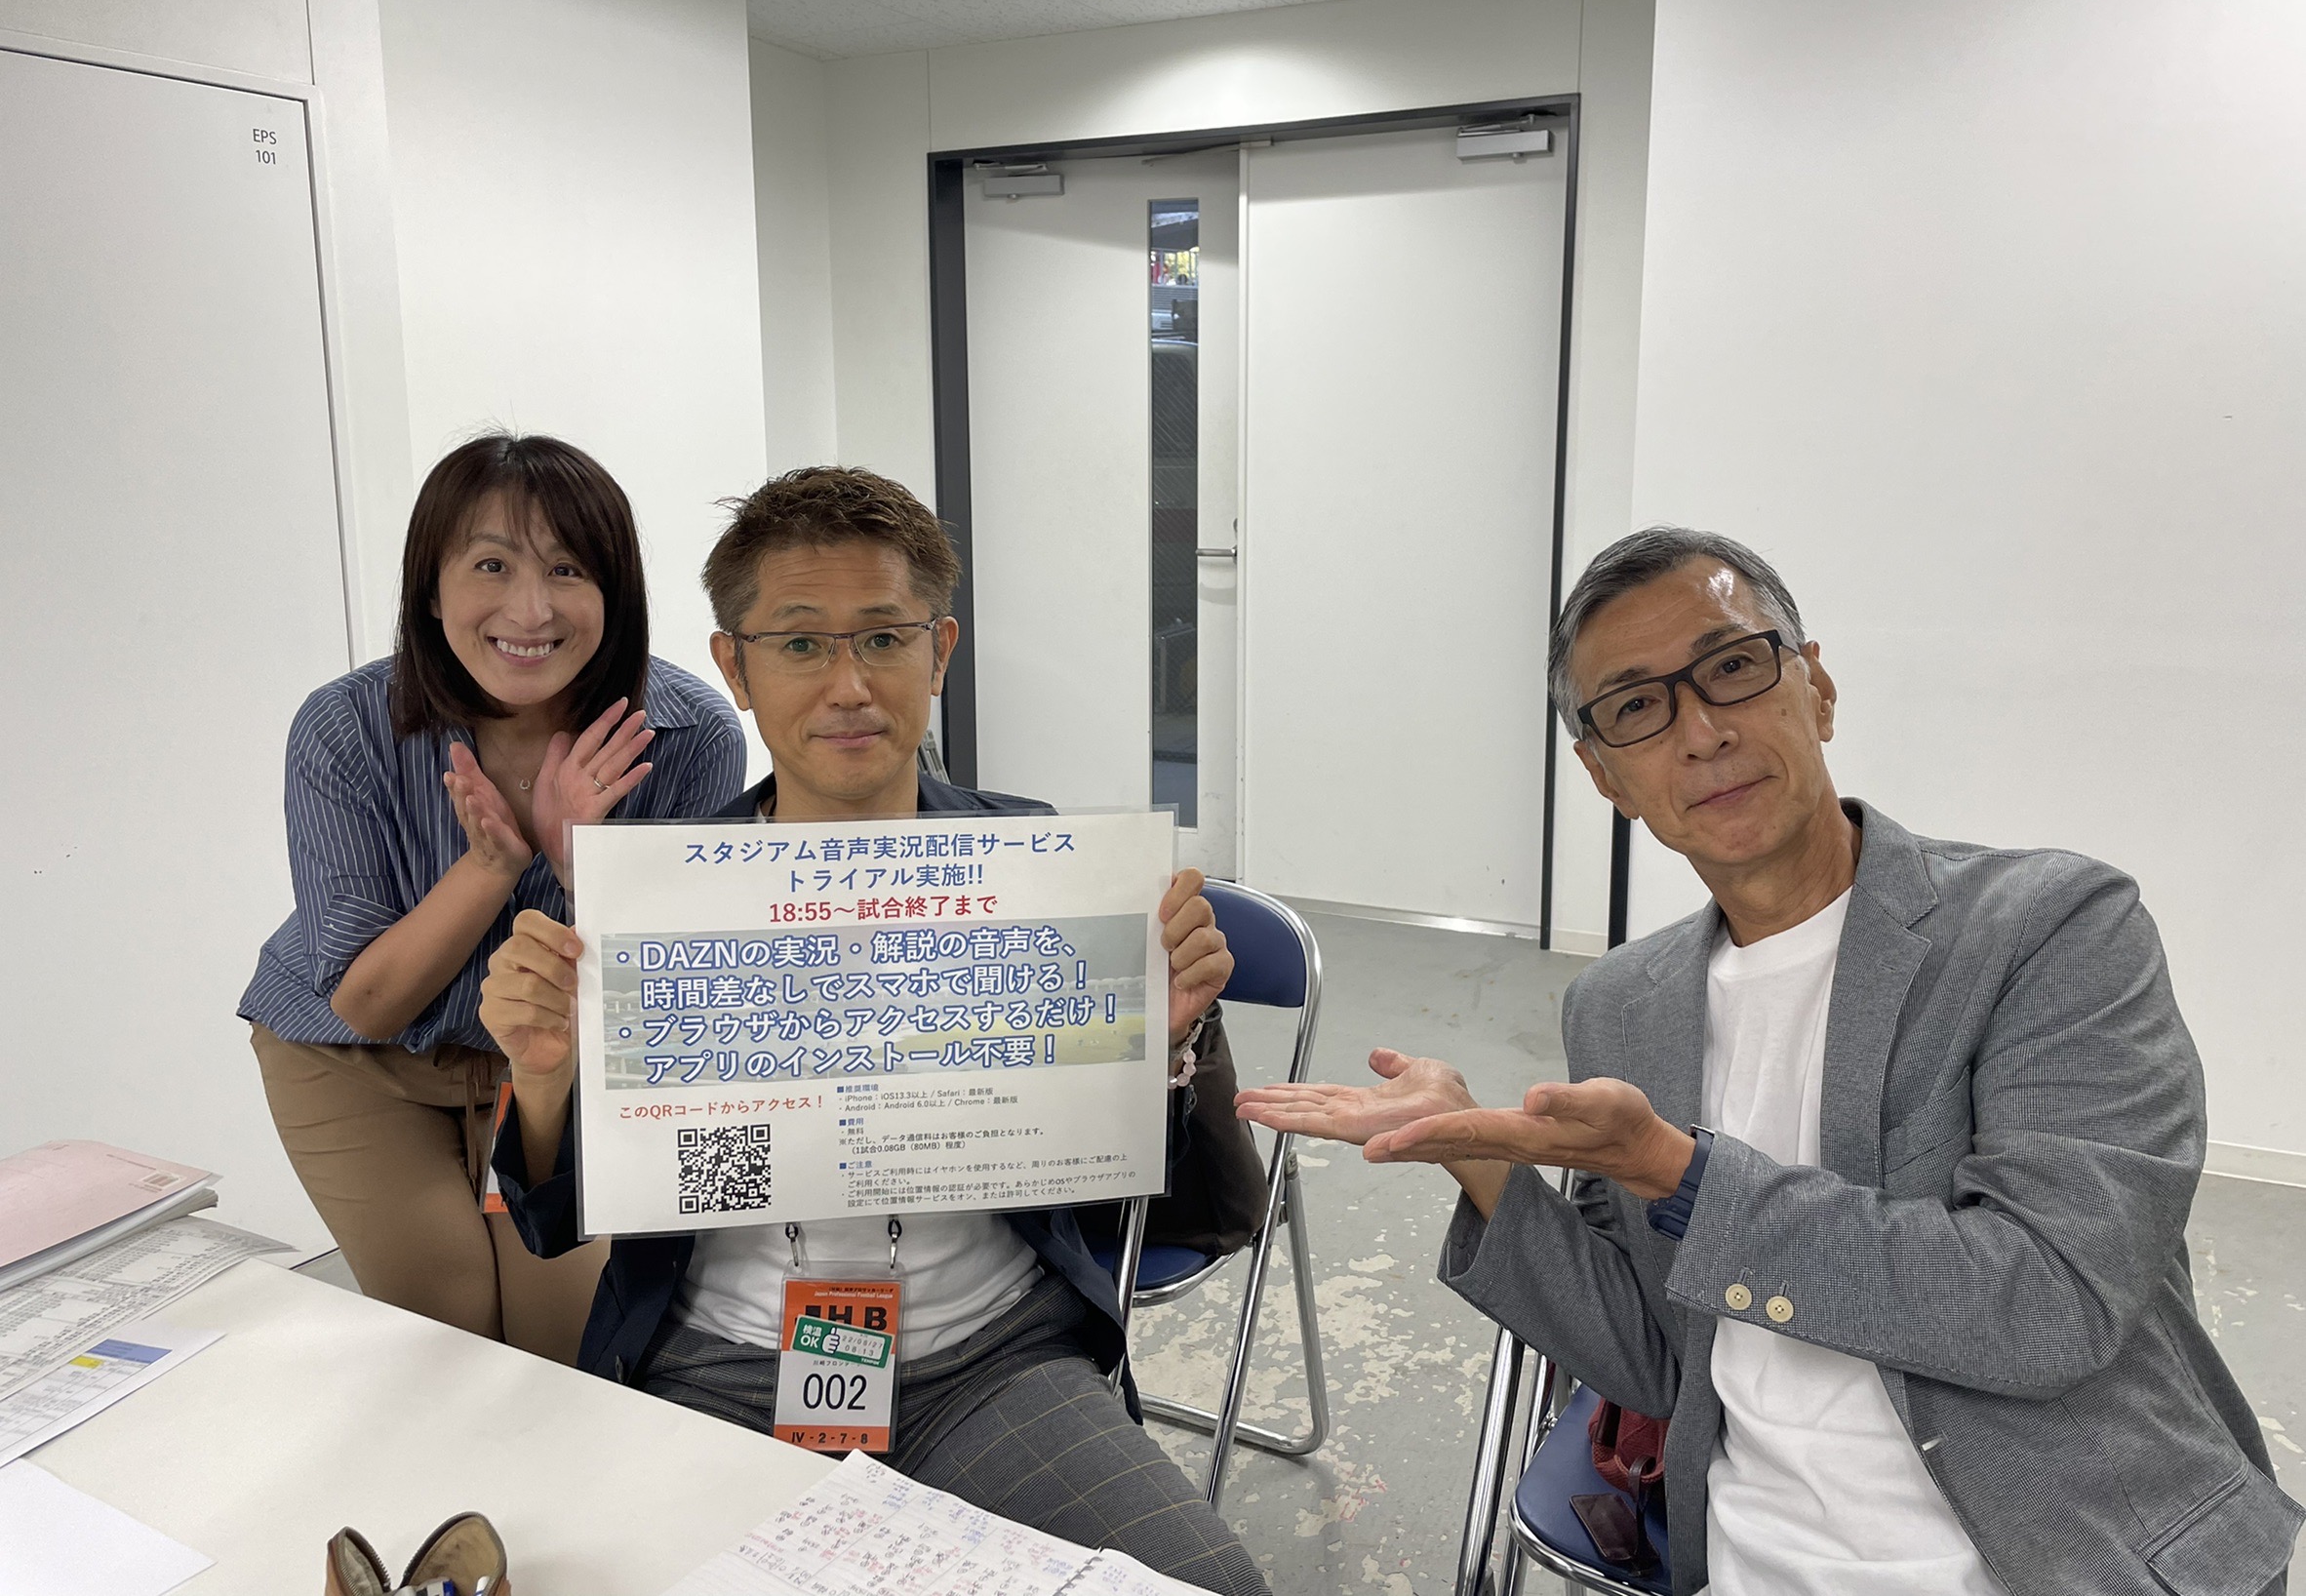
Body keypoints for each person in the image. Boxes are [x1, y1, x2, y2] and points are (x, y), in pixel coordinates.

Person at [1238, 528, 2304, 1596]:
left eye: (1733, 667)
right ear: (1606, 775)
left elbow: (2050, 1303)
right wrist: (1471, 1151)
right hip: (1755, 1562)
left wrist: (1681, 1176)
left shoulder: (2051, 928)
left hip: (2068, 1553)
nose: (1701, 732)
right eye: (1638, 708)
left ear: (1817, 690)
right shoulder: (1619, 1007)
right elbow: (1655, 1358)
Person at [476, 466, 1267, 1596]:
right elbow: (554, 1222)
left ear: (939, 652)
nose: (848, 684)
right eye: (801, 643)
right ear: (735, 667)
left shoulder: (1041, 871)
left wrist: (1165, 1044)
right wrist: (545, 1076)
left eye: (885, 638)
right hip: (718, 1368)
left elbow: (1177, 1204)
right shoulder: (660, 899)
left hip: (995, 1361)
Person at [241, 433, 745, 1361]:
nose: (530, 608)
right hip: (358, 1060)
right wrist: (496, 863)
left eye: (567, 568)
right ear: (431, 592)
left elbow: (666, 995)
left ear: (615, 593)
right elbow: (368, 1001)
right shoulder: (345, 727)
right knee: (450, 1328)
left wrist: (584, 864)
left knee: (568, 1342)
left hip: (555, 1063)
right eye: (490, 565)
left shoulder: (687, 736)